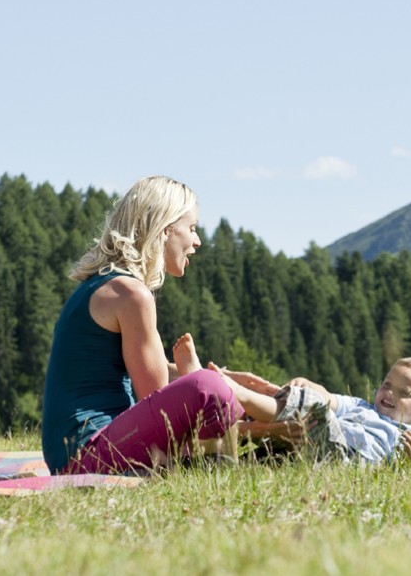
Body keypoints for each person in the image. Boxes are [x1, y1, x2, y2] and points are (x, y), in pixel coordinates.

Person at [41, 175, 286, 475]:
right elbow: (157, 403)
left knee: (211, 383)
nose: (197, 241)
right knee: (208, 388)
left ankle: (218, 465)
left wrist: (226, 378)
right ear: (165, 229)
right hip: (87, 456)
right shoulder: (131, 295)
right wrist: (216, 387)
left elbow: (147, 370)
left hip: (80, 453)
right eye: (192, 228)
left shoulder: (106, 286)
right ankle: (222, 470)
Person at [213, 356, 411, 464]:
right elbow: (329, 398)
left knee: (312, 409)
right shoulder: (361, 406)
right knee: (267, 454)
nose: (390, 394)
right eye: (387, 385)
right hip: (308, 448)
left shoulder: (410, 440)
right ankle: (215, 428)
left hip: (344, 460)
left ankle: (236, 393)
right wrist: (308, 384)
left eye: (404, 393)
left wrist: (405, 461)